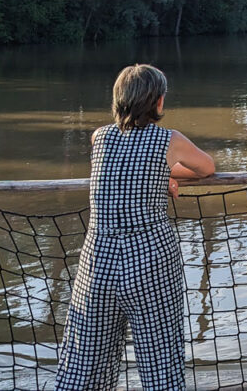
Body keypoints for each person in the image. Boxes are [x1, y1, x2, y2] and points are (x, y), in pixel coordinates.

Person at [56, 64, 215, 391]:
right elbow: (206, 168)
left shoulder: (100, 138)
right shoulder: (169, 140)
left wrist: (162, 174)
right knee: (160, 365)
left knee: (85, 365)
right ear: (158, 102)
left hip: (97, 263)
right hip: (151, 263)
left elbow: (122, 173)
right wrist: (168, 172)